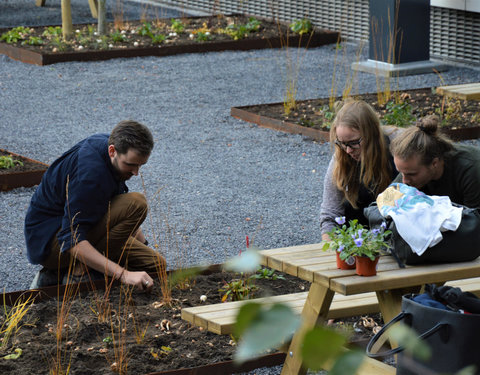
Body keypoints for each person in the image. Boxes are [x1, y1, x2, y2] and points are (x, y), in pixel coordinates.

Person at [25, 120, 165, 290]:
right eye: (130, 165)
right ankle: (71, 274)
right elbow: (71, 239)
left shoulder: (111, 148)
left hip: (81, 230)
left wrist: (144, 246)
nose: (136, 173)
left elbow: (117, 205)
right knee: (136, 203)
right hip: (52, 243)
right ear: (112, 151)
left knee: (156, 265)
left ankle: (69, 272)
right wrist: (123, 274)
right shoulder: (90, 176)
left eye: (140, 165)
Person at [320, 100, 396, 240]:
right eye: (342, 143)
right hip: (356, 241)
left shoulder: (397, 147)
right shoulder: (341, 157)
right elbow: (330, 216)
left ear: (371, 133)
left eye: (354, 143)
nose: (348, 150)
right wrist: (332, 248)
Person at [390, 115, 480, 208]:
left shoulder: (471, 170)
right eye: (401, 172)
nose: (404, 181)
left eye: (411, 174)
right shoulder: (411, 167)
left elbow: (473, 219)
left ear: (434, 163)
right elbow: (384, 203)